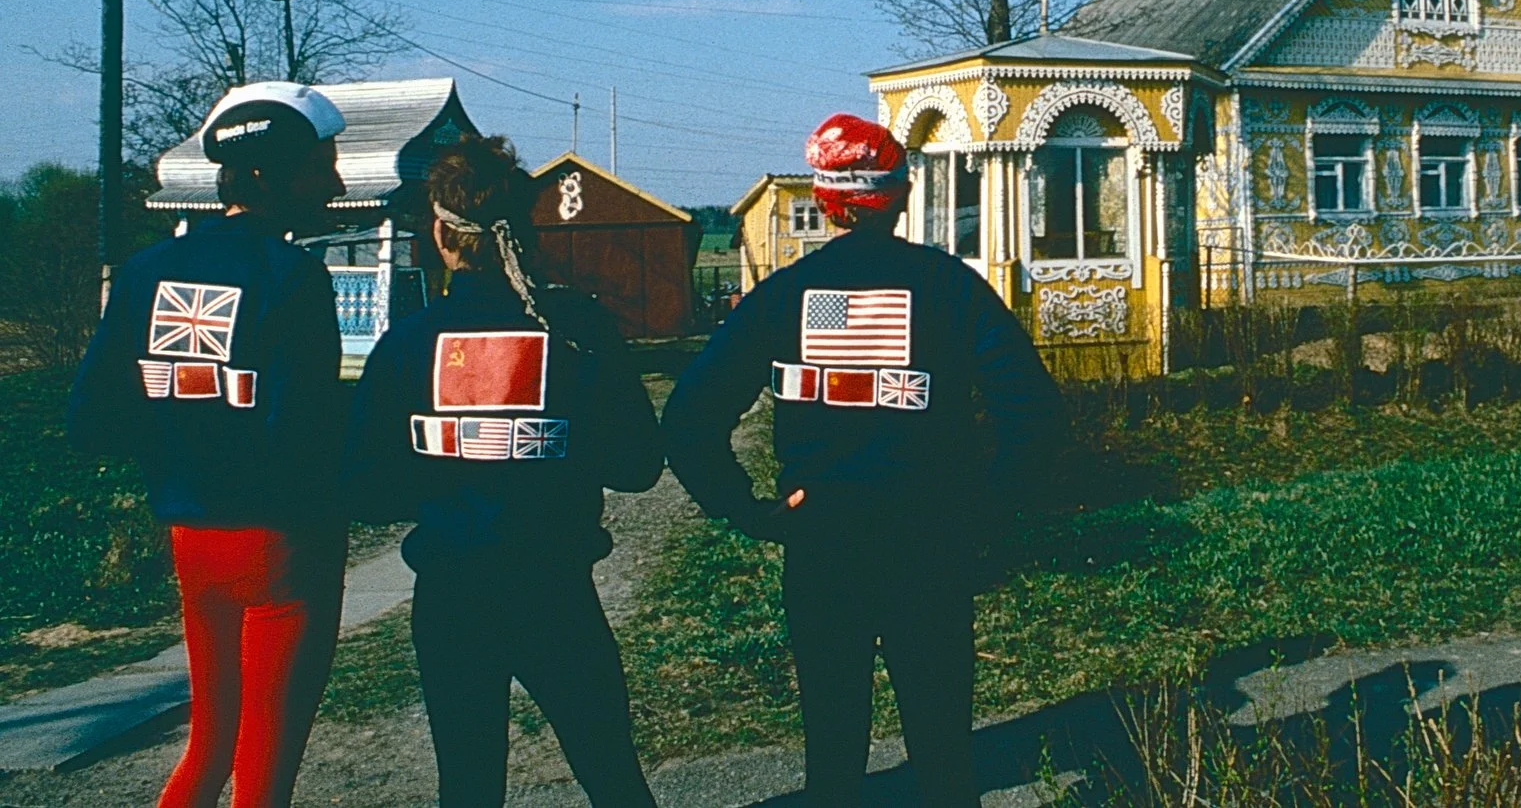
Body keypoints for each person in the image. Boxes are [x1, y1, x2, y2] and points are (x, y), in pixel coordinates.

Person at [663, 112, 1064, 808]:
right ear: (902, 195)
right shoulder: (949, 289)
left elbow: (690, 420)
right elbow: (1033, 412)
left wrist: (750, 512)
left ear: (824, 201)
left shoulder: (785, 297)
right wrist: (989, 507)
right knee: (943, 756)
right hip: (930, 544)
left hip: (821, 547)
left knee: (834, 752)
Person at [342, 134, 662, 808]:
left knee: (468, 784)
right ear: (525, 228)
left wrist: (448, 468)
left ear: (439, 232)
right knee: (611, 773)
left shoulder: (407, 345)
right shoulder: (577, 330)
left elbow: (367, 489)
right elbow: (637, 466)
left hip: (454, 597)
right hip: (557, 593)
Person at [68, 81, 352, 808]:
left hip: (192, 541)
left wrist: (178, 439)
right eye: (323, 165)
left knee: (207, 747)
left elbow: (90, 420)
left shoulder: (144, 271)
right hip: (284, 547)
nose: (338, 182)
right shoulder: (294, 277)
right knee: (264, 771)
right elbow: (306, 434)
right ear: (268, 178)